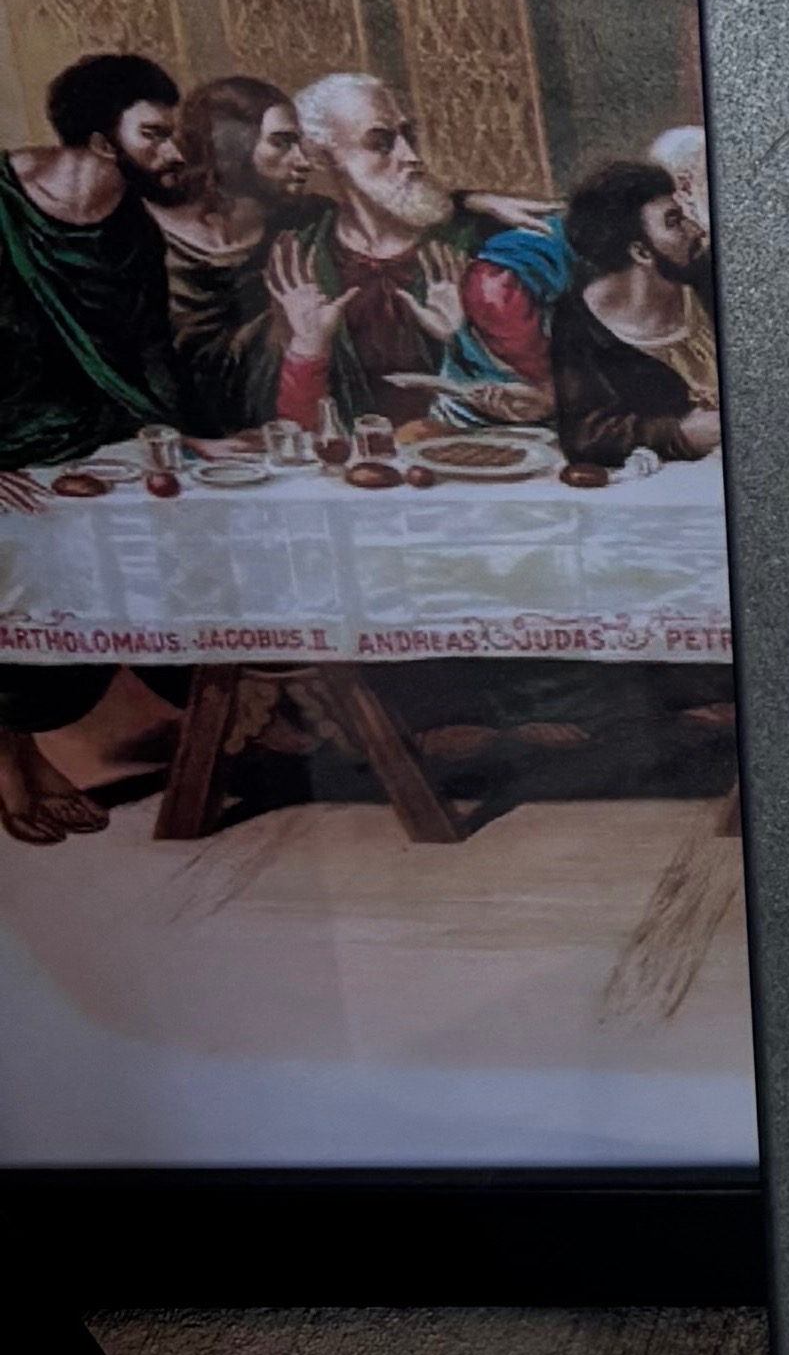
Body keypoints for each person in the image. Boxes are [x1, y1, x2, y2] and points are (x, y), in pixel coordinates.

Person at [0, 49, 189, 843]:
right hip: (4, 441)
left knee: (141, 535)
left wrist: (177, 438)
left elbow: (147, 351)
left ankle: (35, 747)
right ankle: (12, 761)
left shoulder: (130, 230)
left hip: (93, 432)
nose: (174, 152)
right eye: (156, 136)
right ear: (104, 141)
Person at [267, 74, 553, 441]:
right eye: (381, 143)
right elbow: (293, 432)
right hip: (357, 467)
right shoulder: (301, 259)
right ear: (324, 156)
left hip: (477, 460)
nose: (412, 157)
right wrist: (307, 350)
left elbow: (543, 401)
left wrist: (461, 339)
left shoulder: (478, 244)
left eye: (409, 136)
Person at [151, 72, 311, 432]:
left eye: (299, 144)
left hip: (277, 433)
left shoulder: (304, 226)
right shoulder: (148, 234)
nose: (303, 161)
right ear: (231, 146)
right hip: (177, 439)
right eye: (282, 143)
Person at [545, 156, 720, 462]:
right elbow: (584, 434)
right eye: (674, 223)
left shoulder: (707, 278)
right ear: (641, 252)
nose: (696, 231)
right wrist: (678, 435)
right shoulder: (581, 324)